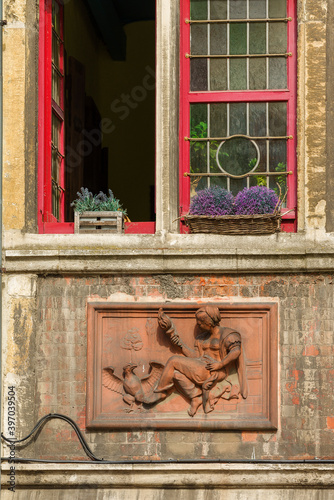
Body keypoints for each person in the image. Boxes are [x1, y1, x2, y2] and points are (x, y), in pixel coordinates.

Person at [155, 306, 247, 417]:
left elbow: (235, 352)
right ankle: (196, 397)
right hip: (201, 367)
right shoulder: (201, 338)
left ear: (208, 322)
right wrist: (180, 344)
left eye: (200, 322)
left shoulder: (228, 334)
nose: (198, 324)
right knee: (175, 375)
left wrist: (220, 364)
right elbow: (196, 357)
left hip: (214, 370)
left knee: (173, 360)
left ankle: (160, 393)